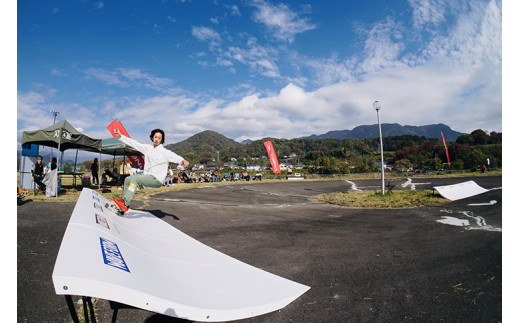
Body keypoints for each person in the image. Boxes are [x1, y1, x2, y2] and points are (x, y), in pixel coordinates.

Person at [112, 128, 189, 213]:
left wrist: (182, 160)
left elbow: (175, 157)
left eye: (159, 138)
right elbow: (135, 144)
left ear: (162, 140)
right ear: (152, 137)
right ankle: (124, 201)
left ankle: (125, 204)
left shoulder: (164, 152)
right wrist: (122, 137)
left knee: (135, 179)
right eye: (155, 137)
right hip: (147, 176)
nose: (157, 139)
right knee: (127, 180)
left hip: (157, 179)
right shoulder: (147, 148)